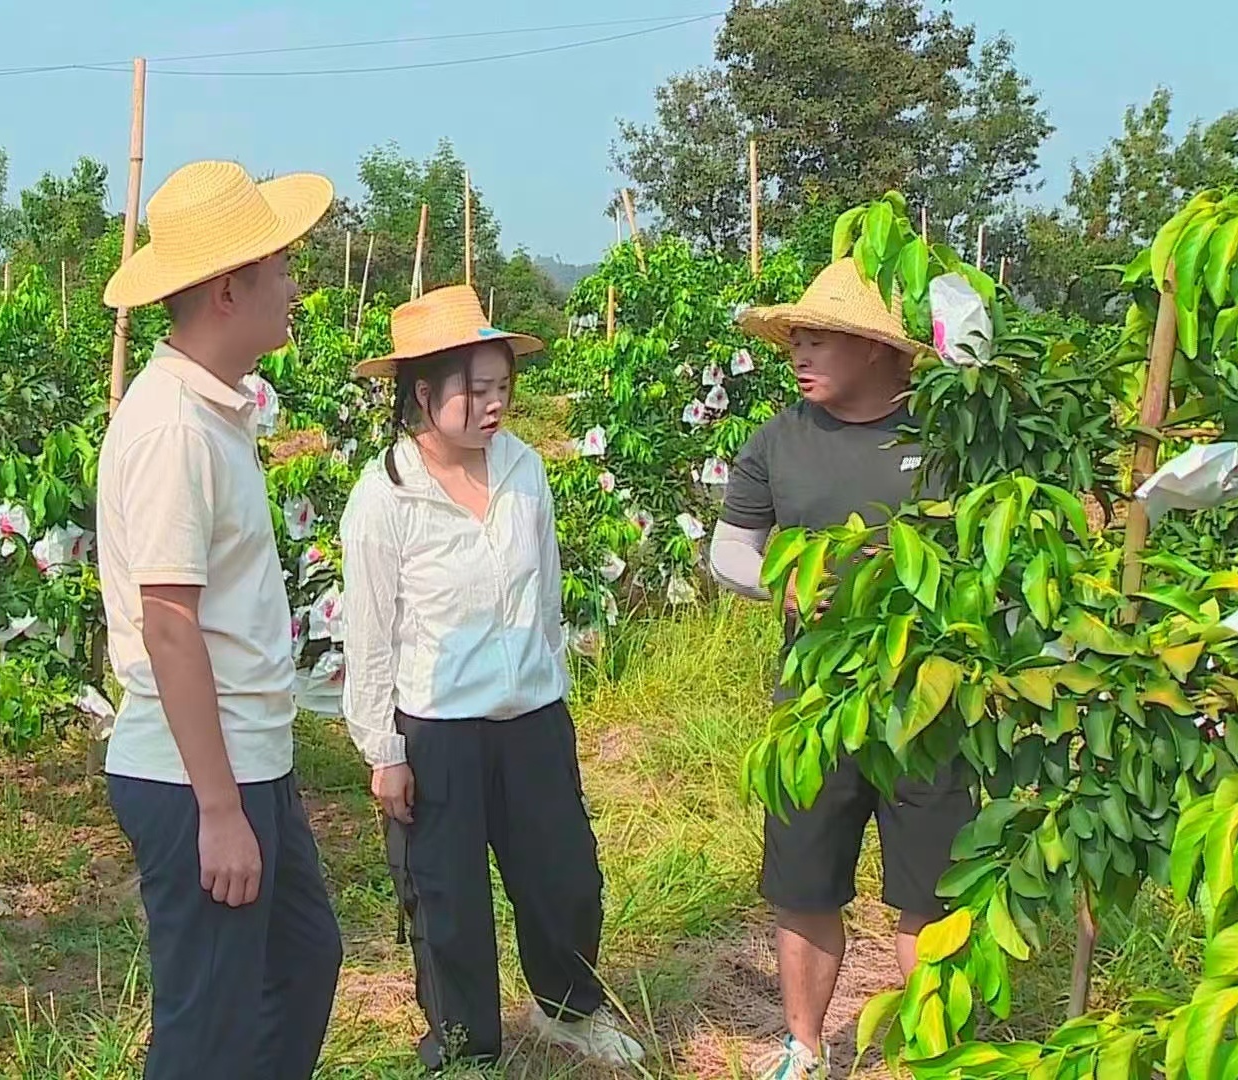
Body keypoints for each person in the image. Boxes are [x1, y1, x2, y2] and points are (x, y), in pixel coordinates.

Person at [341, 285, 647, 1071]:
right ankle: (464, 1039)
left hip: (533, 717)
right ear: (423, 393)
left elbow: (542, 592)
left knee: (565, 878)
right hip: (437, 726)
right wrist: (384, 749)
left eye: (503, 388)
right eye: (474, 390)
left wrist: (545, 680)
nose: (493, 406)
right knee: (446, 899)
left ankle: (569, 1011)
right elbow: (372, 633)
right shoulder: (386, 495)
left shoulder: (524, 470)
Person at [95, 159, 344, 1079]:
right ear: (229, 289)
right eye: (281, 269)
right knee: (209, 1029)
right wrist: (217, 809)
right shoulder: (173, 430)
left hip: (246, 758)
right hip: (197, 773)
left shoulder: (213, 414)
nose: (294, 288)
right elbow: (168, 625)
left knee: (301, 963)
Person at [711, 259, 973, 1080]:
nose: (800, 354)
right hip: (815, 704)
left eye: (818, 340)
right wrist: (780, 582)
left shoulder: (946, 439)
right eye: (796, 340)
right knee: (804, 882)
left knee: (927, 891)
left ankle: (934, 1049)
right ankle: (803, 1044)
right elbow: (730, 548)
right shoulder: (777, 441)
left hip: (931, 707)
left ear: (876, 350)